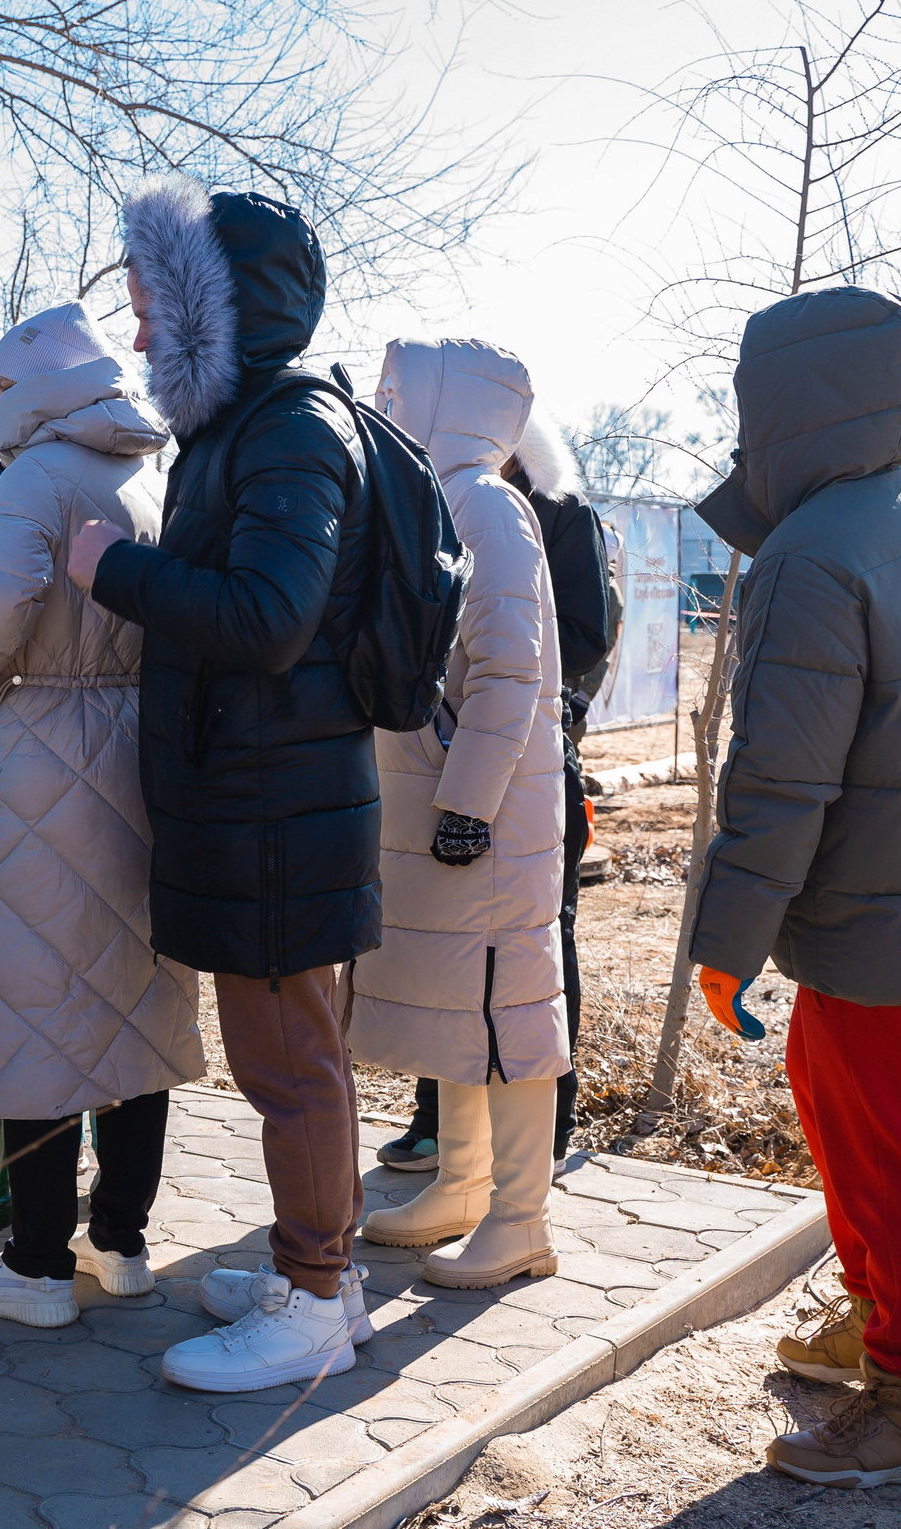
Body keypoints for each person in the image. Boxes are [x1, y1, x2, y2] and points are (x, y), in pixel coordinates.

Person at [684, 286, 901, 1490]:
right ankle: (880, 1324)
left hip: (874, 901)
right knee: (846, 1111)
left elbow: (779, 776)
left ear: (789, 405)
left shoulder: (814, 552)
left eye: (746, 401)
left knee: (891, 1144)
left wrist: (726, 937)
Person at [67, 172, 377, 1393]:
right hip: (262, 797)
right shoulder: (244, 429)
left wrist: (118, 573)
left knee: (291, 1063)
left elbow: (267, 617)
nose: (137, 330)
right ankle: (327, 1272)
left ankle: (310, 1297)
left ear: (220, 309)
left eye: (153, 304)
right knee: (292, 1055)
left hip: (275, 806)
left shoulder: (290, 428)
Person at [0, 301, 205, 1328]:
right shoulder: (150, 474)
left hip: (41, 744)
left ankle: (36, 1263)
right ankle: (121, 1240)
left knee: (33, 994)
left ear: (27, 390)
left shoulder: (36, 476)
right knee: (134, 991)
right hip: (143, 748)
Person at [346, 338, 570, 1289]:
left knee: (504, 1007)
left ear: (450, 401)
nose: (385, 402)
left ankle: (521, 1218)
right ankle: (464, 1183)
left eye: (402, 391)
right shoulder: (437, 497)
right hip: (445, 800)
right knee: (459, 999)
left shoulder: (489, 507)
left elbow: (512, 673)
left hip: (487, 813)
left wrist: (468, 803)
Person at [377, 406, 613, 1176]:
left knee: (538, 949)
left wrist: (504, 660)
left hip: (531, 758)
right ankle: (440, 1126)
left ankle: (545, 1131)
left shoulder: (555, 514)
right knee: (440, 939)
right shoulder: (428, 501)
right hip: (439, 749)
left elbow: (584, 636)